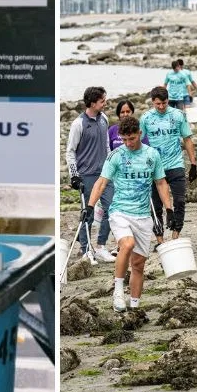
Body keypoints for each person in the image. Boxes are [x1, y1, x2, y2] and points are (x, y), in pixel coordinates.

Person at [86, 115, 174, 312]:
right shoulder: (116, 155)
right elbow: (101, 182)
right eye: (124, 140)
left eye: (131, 139)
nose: (128, 143)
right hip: (120, 212)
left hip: (143, 216)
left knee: (138, 265)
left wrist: (170, 209)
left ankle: (134, 307)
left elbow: (160, 183)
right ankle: (118, 291)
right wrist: (90, 207)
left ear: (139, 134)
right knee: (127, 244)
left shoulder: (152, 155)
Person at [140, 86, 197, 241]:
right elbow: (139, 143)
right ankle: (160, 239)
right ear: (152, 102)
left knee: (179, 201)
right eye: (157, 104)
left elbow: (187, 139)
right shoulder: (145, 118)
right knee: (156, 206)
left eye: (164, 103)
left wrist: (193, 164)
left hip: (175, 164)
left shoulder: (178, 115)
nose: (161, 107)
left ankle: (175, 235)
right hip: (154, 167)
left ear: (168, 101)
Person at [66, 86, 116, 264]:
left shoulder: (104, 119)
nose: (105, 103)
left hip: (105, 174)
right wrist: (74, 176)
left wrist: (111, 165)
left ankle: (101, 246)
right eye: (102, 100)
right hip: (86, 175)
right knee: (88, 212)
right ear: (93, 103)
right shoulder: (78, 124)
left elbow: (107, 146)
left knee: (113, 209)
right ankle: (85, 249)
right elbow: (70, 152)